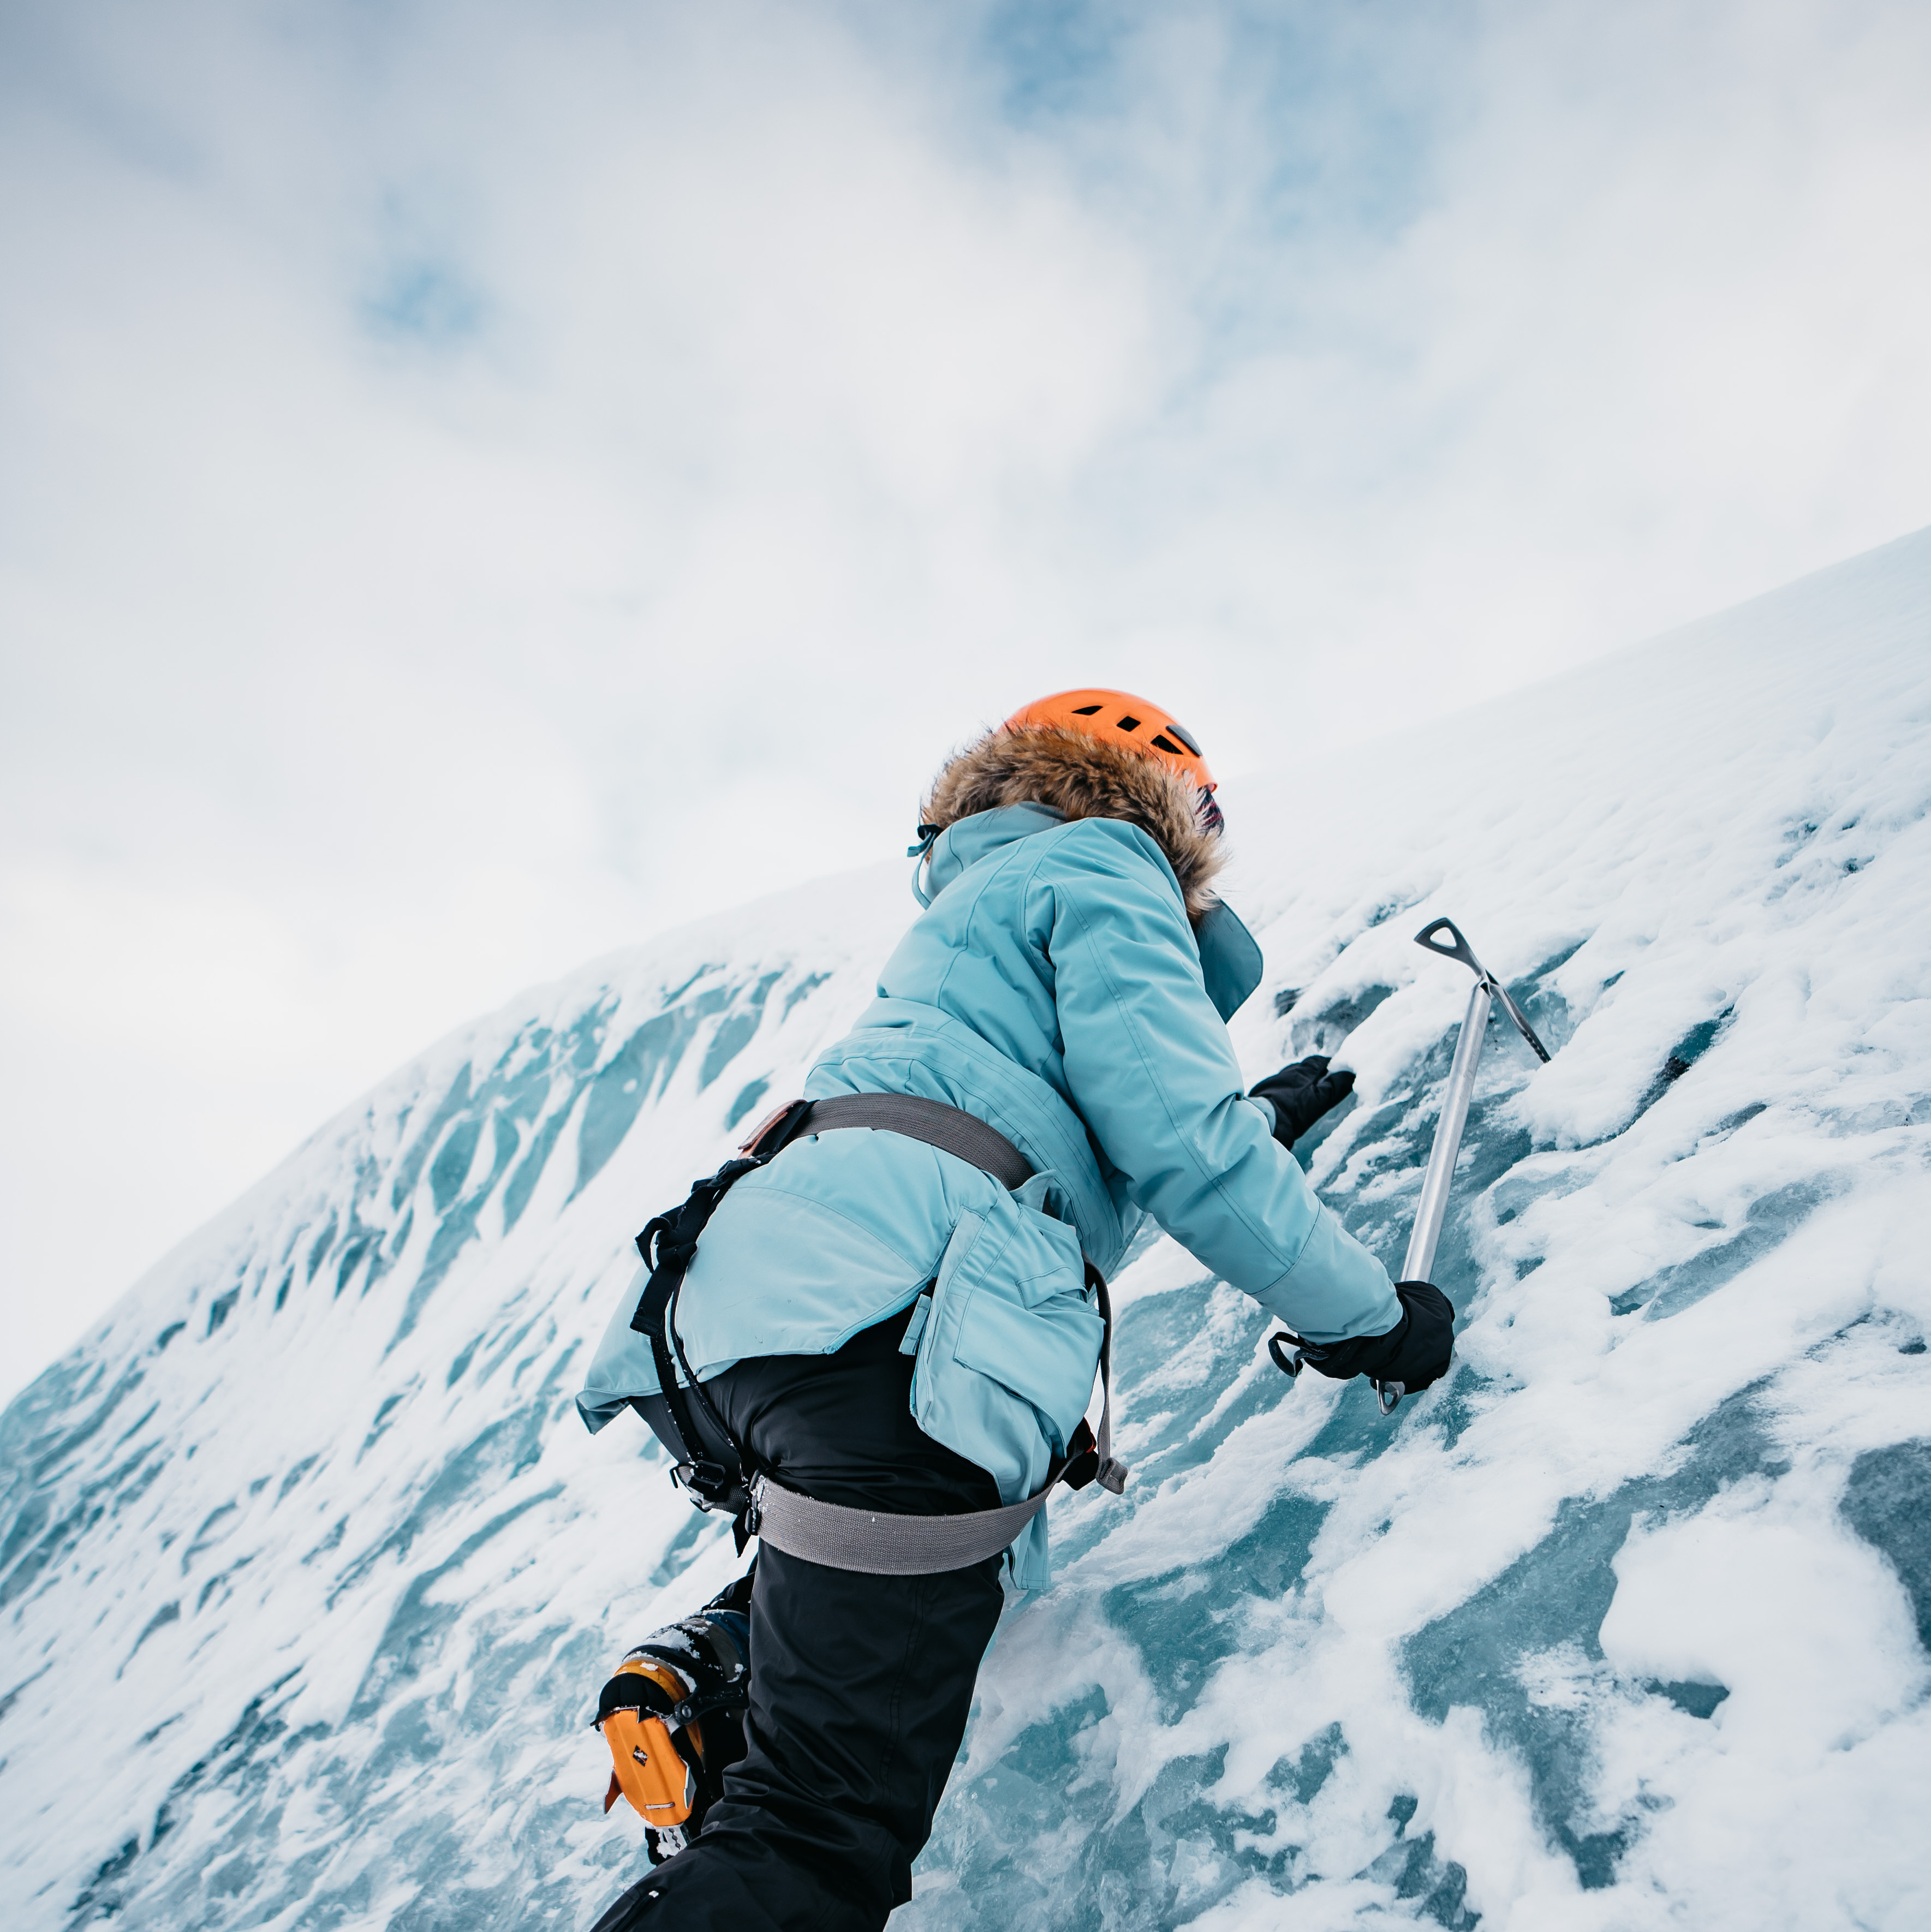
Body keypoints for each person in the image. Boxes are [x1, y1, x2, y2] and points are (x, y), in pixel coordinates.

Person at [575, 689, 1455, 1931]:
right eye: (1201, 812)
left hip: (730, 1322)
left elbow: (1027, 1163)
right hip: (884, 1340)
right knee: (817, 1837)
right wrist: (1370, 1321)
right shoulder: (1106, 856)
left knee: (862, 1547)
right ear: (1150, 788)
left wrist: (1256, 1120)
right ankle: (755, 1698)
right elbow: (1175, 1146)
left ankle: (726, 1660)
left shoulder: (967, 917)